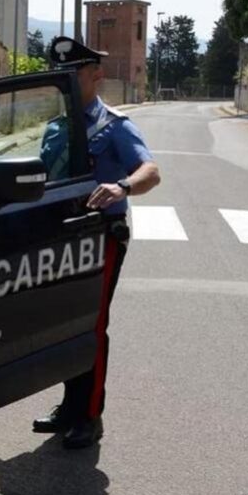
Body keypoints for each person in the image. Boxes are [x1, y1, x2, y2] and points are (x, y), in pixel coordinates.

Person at [34, 36, 161, 449]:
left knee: (90, 323)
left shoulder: (115, 125)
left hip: (99, 237)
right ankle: (68, 407)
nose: (65, 79)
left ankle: (89, 414)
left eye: (74, 73)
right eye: (60, 73)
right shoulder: (55, 128)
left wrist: (121, 186)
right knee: (62, 322)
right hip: (60, 237)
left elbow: (150, 171)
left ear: (96, 75)